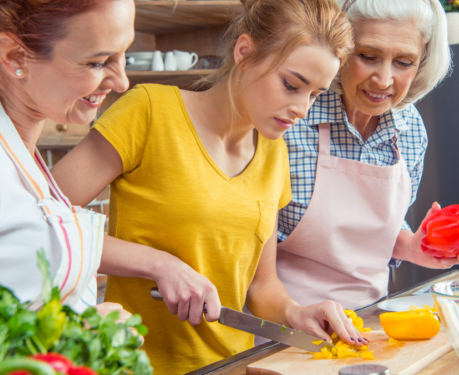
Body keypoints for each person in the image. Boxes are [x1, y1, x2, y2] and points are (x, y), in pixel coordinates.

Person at [49, 0, 359, 373]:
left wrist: (296, 311)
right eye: (291, 85)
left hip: (234, 366)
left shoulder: (275, 154)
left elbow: (261, 287)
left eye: (315, 94)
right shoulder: (149, 111)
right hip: (138, 364)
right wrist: (159, 265)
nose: (302, 108)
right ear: (244, 52)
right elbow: (45, 221)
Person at [0, 0, 135, 319]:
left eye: (124, 55)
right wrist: (77, 335)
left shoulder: (13, 143)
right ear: (14, 56)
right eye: (98, 62)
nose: (122, 82)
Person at [276, 0, 459, 310]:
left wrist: (412, 247)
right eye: (368, 56)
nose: (384, 80)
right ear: (341, 48)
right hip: (284, 326)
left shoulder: (410, 129)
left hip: (371, 319)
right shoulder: (291, 120)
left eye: (404, 62)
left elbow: (372, 231)